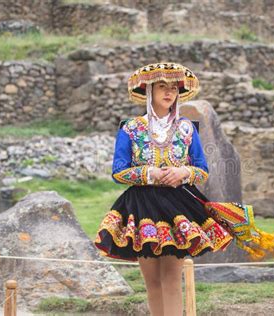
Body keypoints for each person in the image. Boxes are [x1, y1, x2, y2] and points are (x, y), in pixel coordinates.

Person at [94, 62, 233, 316]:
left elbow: (201, 169)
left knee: (171, 277)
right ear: (149, 91)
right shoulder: (131, 129)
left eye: (173, 88)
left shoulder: (187, 128)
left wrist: (183, 173)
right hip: (142, 205)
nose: (169, 92)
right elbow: (118, 171)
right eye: (162, 87)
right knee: (151, 280)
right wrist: (150, 173)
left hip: (176, 206)